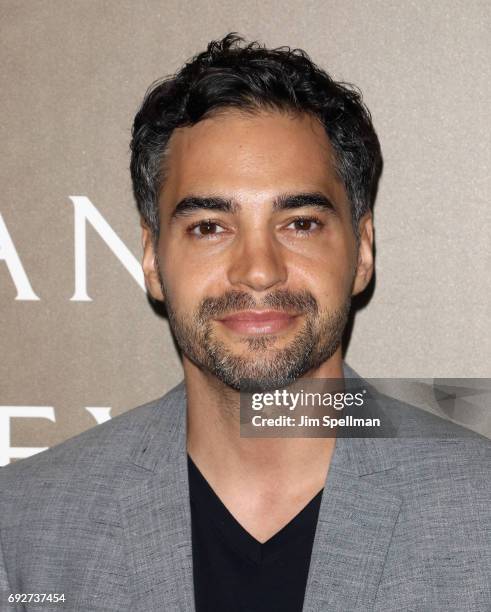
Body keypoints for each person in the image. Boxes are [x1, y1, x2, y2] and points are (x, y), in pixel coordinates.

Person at [0, 33, 489, 612]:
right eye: (209, 226)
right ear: (154, 260)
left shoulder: (478, 510)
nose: (258, 271)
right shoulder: (26, 529)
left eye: (300, 223)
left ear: (361, 252)